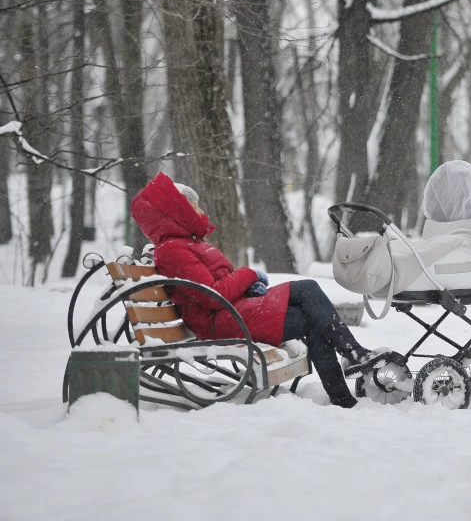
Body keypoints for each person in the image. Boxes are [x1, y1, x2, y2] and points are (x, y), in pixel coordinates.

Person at [130, 172, 394, 408]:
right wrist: (249, 274)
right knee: (307, 289)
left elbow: (217, 286)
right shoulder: (175, 249)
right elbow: (213, 295)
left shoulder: (188, 244)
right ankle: (354, 356)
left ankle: (343, 396)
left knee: (311, 319)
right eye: (193, 205)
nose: (199, 210)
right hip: (219, 322)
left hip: (232, 312)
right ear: (176, 211)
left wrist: (248, 284)